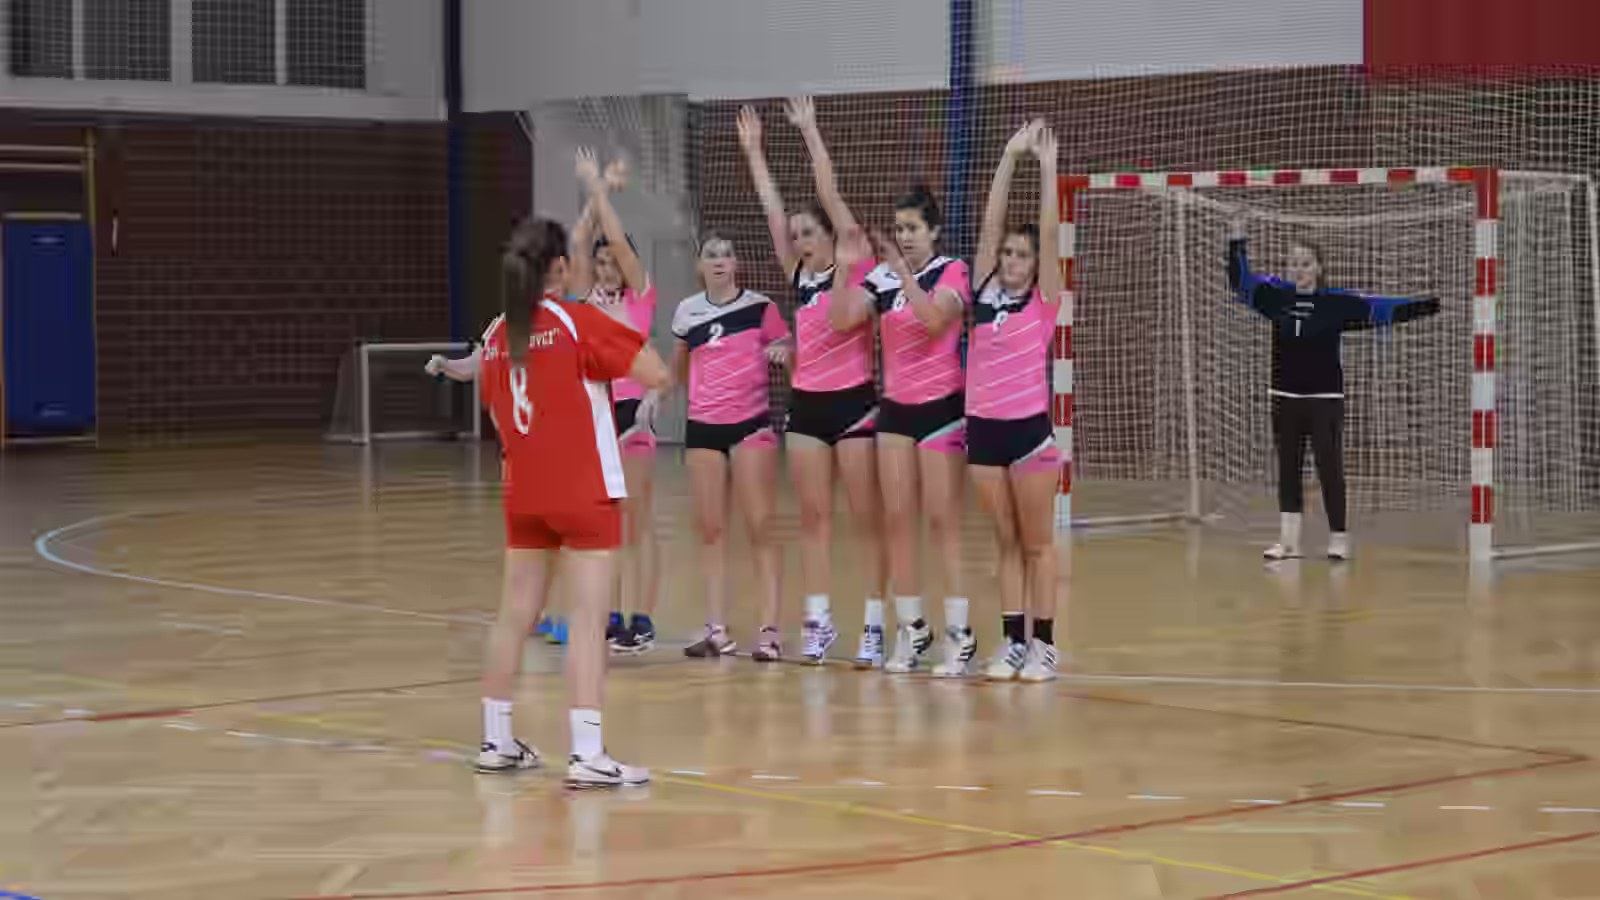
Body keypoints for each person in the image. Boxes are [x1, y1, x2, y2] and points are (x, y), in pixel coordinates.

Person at [471, 150, 670, 788]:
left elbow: (497, 416)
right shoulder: (578, 320)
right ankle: (587, 754)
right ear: (560, 268)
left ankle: (497, 741)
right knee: (588, 620)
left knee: (513, 614)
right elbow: (657, 374)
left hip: (521, 492)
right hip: (584, 490)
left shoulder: (497, 333)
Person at [736, 99, 888, 666]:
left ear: (832, 234)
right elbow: (773, 210)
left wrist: (809, 131)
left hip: (854, 406)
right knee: (813, 519)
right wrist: (755, 153)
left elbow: (828, 191)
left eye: (808, 232)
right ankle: (819, 622)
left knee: (865, 520)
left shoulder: (858, 260)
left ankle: (874, 626)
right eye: (795, 234)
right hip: (807, 407)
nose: (798, 239)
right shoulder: (798, 274)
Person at [1228, 222, 1442, 561]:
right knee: (1288, 469)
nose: (1299, 270)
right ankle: (1288, 542)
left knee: (1330, 467)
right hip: (1284, 398)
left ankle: (1339, 538)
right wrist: (1236, 240)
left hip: (1324, 400)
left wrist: (1432, 304)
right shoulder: (1274, 297)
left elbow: (1385, 309)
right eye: (1294, 263)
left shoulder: (1337, 304)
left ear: (1319, 268)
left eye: (1306, 263)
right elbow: (1240, 283)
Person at [831, 182, 974, 675]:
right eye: (899, 229)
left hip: (941, 409)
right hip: (894, 410)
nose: (906, 236)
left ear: (933, 230)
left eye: (913, 228)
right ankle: (912, 630)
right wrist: (848, 267)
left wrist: (903, 274)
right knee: (897, 521)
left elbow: (935, 322)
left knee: (942, 522)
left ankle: (960, 634)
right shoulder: (881, 278)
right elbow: (841, 319)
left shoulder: (952, 270)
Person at [967, 121, 1064, 682]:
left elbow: (1050, 238)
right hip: (982, 434)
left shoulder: (1043, 301)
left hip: (1028, 434)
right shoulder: (982, 290)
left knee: (1036, 544)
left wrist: (1047, 169)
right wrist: (1007, 155)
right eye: (1007, 253)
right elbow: (989, 222)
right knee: (1005, 543)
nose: (1011, 259)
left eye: (1020, 255)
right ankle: (1011, 642)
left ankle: (1044, 646)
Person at [672, 232, 792, 661]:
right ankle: (717, 630)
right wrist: (654, 398)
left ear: (736, 263)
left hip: (750, 426)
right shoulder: (687, 311)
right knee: (710, 529)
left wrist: (783, 350)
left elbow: (787, 349)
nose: (720, 260)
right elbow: (679, 368)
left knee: (760, 527)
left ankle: (770, 631)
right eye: (711, 254)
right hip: (704, 428)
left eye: (727, 254)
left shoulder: (761, 308)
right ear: (700, 264)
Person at [568, 158, 662, 656]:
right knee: (602, 521)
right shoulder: (583, 302)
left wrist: (606, 195)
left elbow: (617, 241)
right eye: (601, 264)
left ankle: (640, 617)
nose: (607, 269)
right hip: (594, 416)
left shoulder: (641, 299)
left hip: (634, 415)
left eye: (613, 264)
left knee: (636, 518)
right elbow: (579, 241)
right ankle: (606, 613)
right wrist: (597, 188)